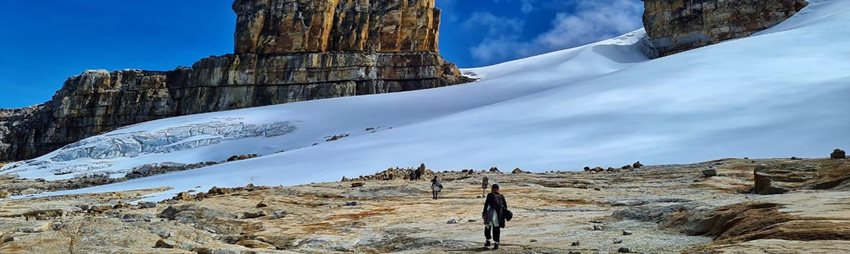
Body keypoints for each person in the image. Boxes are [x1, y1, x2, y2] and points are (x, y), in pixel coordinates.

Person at [482, 184, 508, 249]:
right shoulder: (501, 196)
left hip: (490, 214)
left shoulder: (490, 195)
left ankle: (488, 241)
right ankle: (496, 243)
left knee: (488, 227)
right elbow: (505, 206)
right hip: (498, 214)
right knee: (496, 228)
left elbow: (486, 204)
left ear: (492, 189)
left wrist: (484, 212)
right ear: (498, 189)